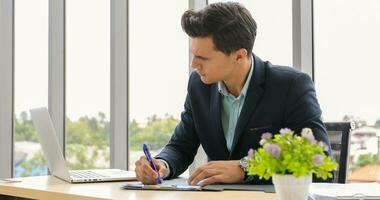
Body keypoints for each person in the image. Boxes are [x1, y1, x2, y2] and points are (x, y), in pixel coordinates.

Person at [135, 2, 332, 186]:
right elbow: (181, 146)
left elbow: (320, 162)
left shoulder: (291, 86)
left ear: (239, 55)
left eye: (203, 58)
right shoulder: (199, 85)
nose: (194, 65)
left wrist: (245, 167)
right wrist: (161, 165)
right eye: (193, 55)